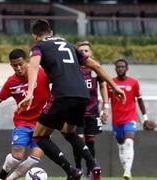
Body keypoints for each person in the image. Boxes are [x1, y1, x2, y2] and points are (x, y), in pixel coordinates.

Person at [18, 19, 126, 180]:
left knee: (39, 136)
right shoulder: (69, 44)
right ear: (51, 32)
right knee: (68, 132)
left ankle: (71, 171)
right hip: (83, 95)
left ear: (35, 36)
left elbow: (33, 66)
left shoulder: (38, 46)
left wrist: (29, 92)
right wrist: (115, 86)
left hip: (62, 94)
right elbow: (95, 66)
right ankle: (93, 165)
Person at [0, 49, 51, 180]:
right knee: (16, 158)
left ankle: (7, 179)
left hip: (42, 123)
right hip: (22, 122)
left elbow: (59, 82)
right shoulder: (11, 82)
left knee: (34, 159)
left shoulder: (42, 73)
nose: (18, 68)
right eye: (14, 65)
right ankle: (3, 173)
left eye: (20, 64)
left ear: (28, 62)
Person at [73, 41, 110, 178]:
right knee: (79, 141)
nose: (83, 53)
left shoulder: (95, 68)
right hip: (76, 113)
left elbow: (103, 86)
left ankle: (90, 172)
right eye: (80, 51)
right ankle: (77, 168)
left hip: (93, 112)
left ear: (91, 53)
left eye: (86, 50)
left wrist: (106, 107)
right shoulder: (73, 68)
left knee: (90, 142)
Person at [108, 59, 149, 180]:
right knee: (121, 145)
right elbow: (106, 100)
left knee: (129, 142)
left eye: (122, 67)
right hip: (116, 120)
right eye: (118, 67)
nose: (120, 69)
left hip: (130, 117)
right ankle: (126, 170)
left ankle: (127, 171)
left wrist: (145, 118)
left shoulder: (133, 82)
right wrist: (103, 112)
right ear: (115, 69)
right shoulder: (111, 83)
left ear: (127, 68)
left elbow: (140, 100)